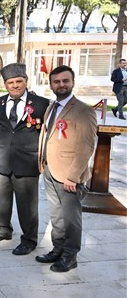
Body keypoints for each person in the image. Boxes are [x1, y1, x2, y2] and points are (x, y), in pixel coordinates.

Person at [0, 63, 49, 255]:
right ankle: (3, 229)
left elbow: (48, 134)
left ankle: (29, 239)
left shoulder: (41, 104)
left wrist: (45, 160)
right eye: (11, 82)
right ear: (5, 84)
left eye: (19, 81)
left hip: (27, 162)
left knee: (27, 205)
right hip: (1, 161)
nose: (15, 86)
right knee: (1, 200)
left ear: (26, 81)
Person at [36, 65, 97, 272]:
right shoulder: (52, 107)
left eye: (65, 81)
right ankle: (58, 249)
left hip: (69, 175)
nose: (61, 84)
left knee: (71, 218)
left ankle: (70, 256)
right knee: (56, 215)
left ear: (72, 82)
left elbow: (86, 145)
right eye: (57, 81)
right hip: (50, 170)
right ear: (51, 84)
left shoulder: (83, 110)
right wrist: (42, 162)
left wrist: (73, 176)